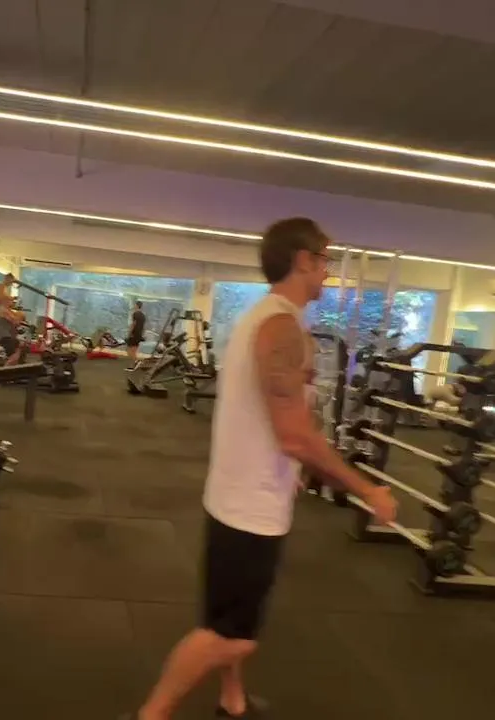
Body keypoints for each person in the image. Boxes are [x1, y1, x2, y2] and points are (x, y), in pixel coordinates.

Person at [121, 218, 398, 720]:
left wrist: (297, 468)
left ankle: (232, 699)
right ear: (303, 260)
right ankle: (150, 715)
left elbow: (278, 421)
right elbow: (294, 435)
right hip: (250, 512)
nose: (328, 271)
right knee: (233, 636)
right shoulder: (282, 328)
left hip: (233, 497)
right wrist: (367, 489)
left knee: (226, 619)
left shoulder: (263, 318)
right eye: (324, 259)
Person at [126, 300, 147, 364]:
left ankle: (136, 362)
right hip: (139, 334)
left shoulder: (135, 314)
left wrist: (129, 333)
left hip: (134, 334)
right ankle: (136, 362)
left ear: (137, 306)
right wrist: (142, 335)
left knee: (129, 350)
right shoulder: (143, 315)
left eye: (135, 305)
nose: (134, 306)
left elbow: (133, 324)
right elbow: (143, 327)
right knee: (134, 351)